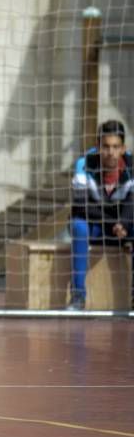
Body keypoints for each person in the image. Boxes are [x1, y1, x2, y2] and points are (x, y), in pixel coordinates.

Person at [68, 120, 133, 310]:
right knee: (78, 226)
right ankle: (78, 297)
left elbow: (132, 203)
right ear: (97, 147)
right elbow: (80, 205)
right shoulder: (83, 164)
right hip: (96, 226)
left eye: (115, 147)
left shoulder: (132, 166)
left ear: (123, 149)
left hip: (122, 228)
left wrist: (124, 224)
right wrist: (115, 222)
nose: (110, 152)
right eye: (105, 147)